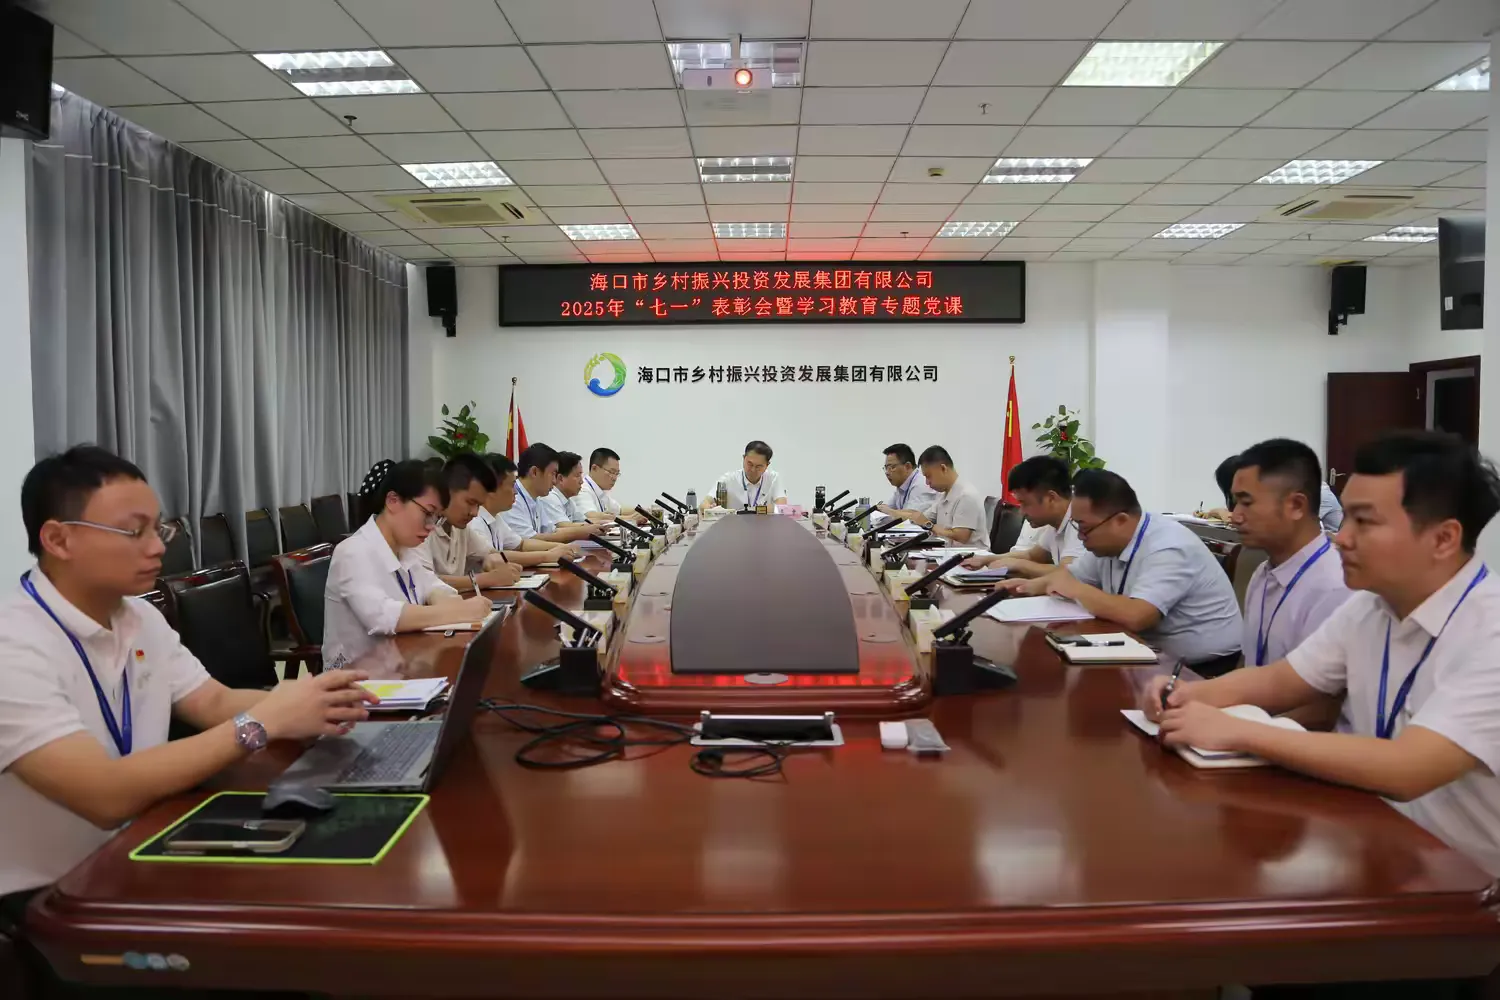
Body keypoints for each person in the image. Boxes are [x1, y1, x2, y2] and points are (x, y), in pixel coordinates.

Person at [1145, 432, 1500, 998]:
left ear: (1443, 538)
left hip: (1458, 899)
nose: (1341, 538)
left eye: (1364, 522)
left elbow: (1408, 769)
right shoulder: (1372, 607)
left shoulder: (1490, 632)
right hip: (1367, 848)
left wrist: (1240, 730)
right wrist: (1188, 695)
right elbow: (1280, 681)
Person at [0, 447, 378, 954]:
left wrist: (312, 706)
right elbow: (103, 797)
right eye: (134, 531)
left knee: (328, 890)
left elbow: (212, 700)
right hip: (53, 900)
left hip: (144, 847)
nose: (157, 547)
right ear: (58, 539)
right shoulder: (13, 645)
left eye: (160, 529)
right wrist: (262, 722)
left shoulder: (139, 617)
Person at [1004, 469, 1242, 672]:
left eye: (1084, 528)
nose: (1080, 536)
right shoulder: (1106, 543)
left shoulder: (1168, 547)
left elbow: (1137, 616)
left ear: (1120, 520)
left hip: (1200, 668)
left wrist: (1076, 590)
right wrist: (1027, 587)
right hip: (1139, 651)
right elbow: (1070, 575)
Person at [323, 460, 491, 667]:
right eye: (427, 514)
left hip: (400, 663)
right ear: (393, 501)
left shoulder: (404, 549)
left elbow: (432, 584)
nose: (431, 526)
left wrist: (440, 597)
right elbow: (382, 616)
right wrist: (459, 611)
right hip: (356, 676)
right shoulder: (352, 552)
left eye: (436, 518)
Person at [1231, 439, 1352, 670]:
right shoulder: (1263, 573)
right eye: (1235, 502)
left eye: (1246, 502)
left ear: (1296, 506)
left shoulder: (1335, 588)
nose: (1235, 516)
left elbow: (1318, 693)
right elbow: (1248, 663)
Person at [416, 454, 523, 593]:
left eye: (478, 505)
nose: (475, 513)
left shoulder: (460, 529)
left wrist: (493, 559)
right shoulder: (420, 527)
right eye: (470, 502)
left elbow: (488, 552)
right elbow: (423, 581)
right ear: (446, 491)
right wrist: (487, 579)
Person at [961, 456, 1083, 578]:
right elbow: (1032, 556)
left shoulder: (1080, 521)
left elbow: (1067, 573)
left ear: (1051, 498)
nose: (1021, 512)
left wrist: (1019, 565)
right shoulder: (1055, 522)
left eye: (1025, 503)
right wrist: (986, 559)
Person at [470, 454, 581, 567]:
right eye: (512, 485)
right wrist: (548, 555)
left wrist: (561, 547)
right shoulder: (474, 521)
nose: (515, 492)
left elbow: (521, 544)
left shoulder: (495, 517)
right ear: (491, 488)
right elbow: (495, 556)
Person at [503, 443, 601, 544]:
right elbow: (528, 541)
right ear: (534, 472)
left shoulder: (536, 499)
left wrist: (586, 530)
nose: (554, 481)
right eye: (553, 474)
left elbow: (551, 531)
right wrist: (580, 533)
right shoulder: (513, 499)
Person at [903, 445, 988, 547]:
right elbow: (923, 518)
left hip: (971, 554)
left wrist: (928, 525)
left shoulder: (966, 495)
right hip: (948, 551)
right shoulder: (943, 495)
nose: (927, 482)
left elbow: (961, 537)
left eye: (928, 476)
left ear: (943, 468)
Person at [703, 440, 786, 511]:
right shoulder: (729, 479)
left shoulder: (773, 478)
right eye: (750, 464)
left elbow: (782, 507)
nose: (753, 470)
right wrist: (709, 508)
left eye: (758, 466)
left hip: (764, 524)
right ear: (743, 458)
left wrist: (753, 510)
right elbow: (705, 503)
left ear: (767, 465)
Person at [573, 447, 644, 524]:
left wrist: (646, 512)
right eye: (611, 472)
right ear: (594, 468)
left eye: (617, 473)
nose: (614, 478)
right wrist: (630, 518)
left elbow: (620, 510)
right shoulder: (582, 488)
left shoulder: (600, 490)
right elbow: (590, 516)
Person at [873, 442, 941, 522]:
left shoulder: (921, 484)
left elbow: (913, 519)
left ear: (907, 466)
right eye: (886, 468)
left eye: (892, 467)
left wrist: (889, 511)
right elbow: (887, 510)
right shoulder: (902, 486)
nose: (887, 472)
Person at [538, 451, 591, 528]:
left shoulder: (569, 500)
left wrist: (603, 523)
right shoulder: (550, 498)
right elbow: (565, 527)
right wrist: (594, 527)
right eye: (577, 476)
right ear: (561, 478)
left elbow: (583, 521)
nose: (581, 481)